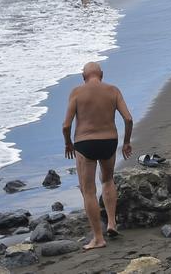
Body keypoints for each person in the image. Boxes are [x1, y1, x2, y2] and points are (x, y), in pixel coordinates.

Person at [62, 61, 133, 250]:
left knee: (89, 191)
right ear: (101, 74)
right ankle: (111, 223)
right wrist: (126, 142)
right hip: (109, 141)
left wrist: (68, 143)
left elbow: (66, 125)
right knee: (108, 181)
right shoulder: (113, 90)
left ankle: (99, 238)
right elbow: (128, 119)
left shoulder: (76, 92)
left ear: (83, 76)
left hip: (85, 144)